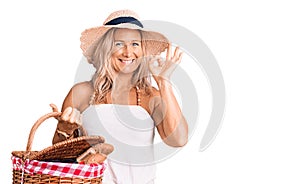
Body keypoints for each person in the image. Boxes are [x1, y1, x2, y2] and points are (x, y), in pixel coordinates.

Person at [52, 9, 188, 184]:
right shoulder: (81, 93)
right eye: (119, 44)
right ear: (106, 48)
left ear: (143, 50)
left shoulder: (150, 96)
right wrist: (64, 128)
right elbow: (58, 156)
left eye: (135, 44)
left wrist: (164, 82)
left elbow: (178, 139)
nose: (128, 52)